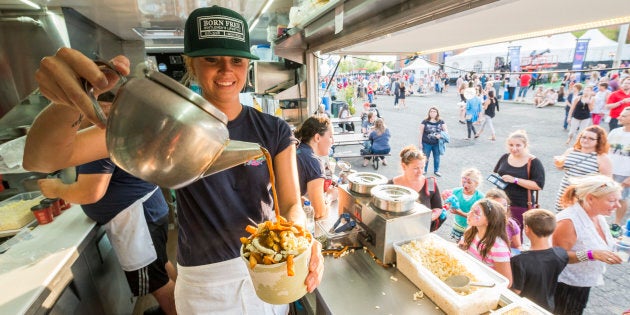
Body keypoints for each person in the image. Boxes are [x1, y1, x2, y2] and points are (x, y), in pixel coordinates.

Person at [23, 6, 324, 314]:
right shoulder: (165, 123)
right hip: (205, 279)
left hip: (267, 267)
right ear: (190, 63)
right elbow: (44, 158)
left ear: (247, 63)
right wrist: (67, 102)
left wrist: (300, 241)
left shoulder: (272, 129)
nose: (226, 70)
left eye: (236, 59)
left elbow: (290, 206)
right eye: (211, 59)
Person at [34, 99, 177, 315]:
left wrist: (56, 188)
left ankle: (176, 308)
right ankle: (183, 306)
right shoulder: (118, 127)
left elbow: (90, 192)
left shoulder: (97, 138)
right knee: (160, 266)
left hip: (136, 220)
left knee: (157, 284)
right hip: (149, 209)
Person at [552, 175, 624, 315]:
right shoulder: (568, 222)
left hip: (582, 283)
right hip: (566, 287)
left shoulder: (597, 215)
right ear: (590, 198)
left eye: (618, 200)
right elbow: (557, 258)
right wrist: (592, 254)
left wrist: (618, 244)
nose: (618, 206)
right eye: (611, 201)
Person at [510, 209, 569, 313]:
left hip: (525, 309)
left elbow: (516, 291)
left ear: (527, 229)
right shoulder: (561, 254)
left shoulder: (519, 261)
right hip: (548, 306)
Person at [493, 130, 545, 229]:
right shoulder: (505, 157)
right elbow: (499, 173)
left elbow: (538, 185)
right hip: (500, 203)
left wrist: (515, 180)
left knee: (514, 234)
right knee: (497, 230)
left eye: (518, 145)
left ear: (525, 145)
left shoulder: (533, 162)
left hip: (519, 205)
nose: (514, 148)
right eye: (511, 145)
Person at [554, 125, 612, 212]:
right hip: (564, 193)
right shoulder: (571, 151)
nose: (585, 140)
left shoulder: (602, 158)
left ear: (599, 141)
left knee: (578, 222)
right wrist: (558, 164)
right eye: (583, 137)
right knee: (560, 218)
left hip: (583, 197)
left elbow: (607, 182)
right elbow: (562, 168)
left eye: (591, 138)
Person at [389, 145, 447, 232]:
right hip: (397, 231)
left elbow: (437, 208)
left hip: (422, 231)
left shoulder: (430, 183)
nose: (420, 172)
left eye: (422, 167)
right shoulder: (391, 185)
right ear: (404, 166)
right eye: (416, 168)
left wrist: (426, 219)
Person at [459, 198, 512, 285]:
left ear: (488, 221)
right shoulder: (471, 231)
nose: (469, 214)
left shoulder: (498, 247)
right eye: (471, 210)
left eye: (476, 212)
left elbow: (507, 282)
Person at [295, 116, 334, 220]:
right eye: (330, 136)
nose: (332, 141)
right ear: (317, 138)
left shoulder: (296, 149)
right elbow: (318, 213)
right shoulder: (314, 161)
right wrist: (330, 196)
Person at [608, 106, 630, 237]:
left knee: (622, 199)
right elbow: (606, 150)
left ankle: (616, 224)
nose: (619, 117)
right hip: (610, 171)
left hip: (625, 174)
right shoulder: (615, 132)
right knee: (604, 196)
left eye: (624, 116)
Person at [446, 168, 485, 241]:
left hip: (472, 229)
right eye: (463, 182)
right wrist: (446, 201)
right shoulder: (455, 191)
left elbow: (480, 217)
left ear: (476, 184)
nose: (465, 185)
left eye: (469, 183)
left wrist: (459, 213)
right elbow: (448, 203)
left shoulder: (480, 197)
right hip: (458, 226)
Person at [485, 188, 521, 253]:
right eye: (497, 205)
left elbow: (517, 247)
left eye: (504, 205)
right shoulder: (480, 221)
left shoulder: (511, 225)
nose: (502, 208)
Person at [418, 106, 448, 177]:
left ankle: (436, 170)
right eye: (431, 111)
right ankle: (424, 170)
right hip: (426, 143)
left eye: (434, 111)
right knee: (425, 157)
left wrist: (440, 135)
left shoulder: (441, 121)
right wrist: (420, 143)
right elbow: (420, 133)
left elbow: (446, 131)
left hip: (437, 143)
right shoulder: (424, 121)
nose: (432, 113)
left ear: (437, 113)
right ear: (429, 113)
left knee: (437, 157)